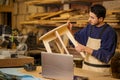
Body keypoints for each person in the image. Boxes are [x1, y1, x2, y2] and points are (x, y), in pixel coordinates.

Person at [68, 4, 117, 74]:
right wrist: (69, 31)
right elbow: (75, 41)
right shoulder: (89, 28)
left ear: (101, 19)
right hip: (86, 70)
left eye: (92, 17)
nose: (89, 20)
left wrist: (85, 48)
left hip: (101, 73)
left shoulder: (109, 32)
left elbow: (105, 56)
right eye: (89, 16)